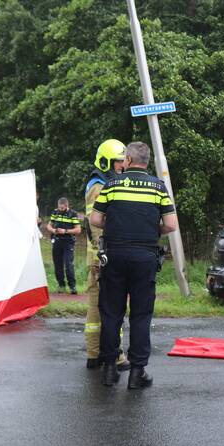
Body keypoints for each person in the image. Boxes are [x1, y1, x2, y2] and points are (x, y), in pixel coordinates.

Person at [90, 141, 178, 390]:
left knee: (111, 313)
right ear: (146, 162)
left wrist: (118, 225)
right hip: (145, 257)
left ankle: (109, 371)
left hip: (115, 255)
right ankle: (137, 373)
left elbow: (95, 219)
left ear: (128, 160)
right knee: (140, 315)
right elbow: (171, 225)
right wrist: (150, 229)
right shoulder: (158, 187)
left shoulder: (112, 184)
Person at [83, 139, 129, 371]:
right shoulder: (99, 187)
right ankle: (115, 355)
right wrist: (104, 255)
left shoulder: (101, 183)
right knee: (111, 308)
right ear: (106, 162)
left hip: (99, 256)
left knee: (98, 307)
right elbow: (97, 225)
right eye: (119, 162)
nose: (122, 166)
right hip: (103, 258)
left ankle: (95, 354)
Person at [47, 197, 81, 294]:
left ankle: (72, 287)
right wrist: (53, 230)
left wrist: (65, 231)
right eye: (59, 208)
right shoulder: (55, 212)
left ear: (67, 206)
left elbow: (78, 230)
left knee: (68, 265)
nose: (60, 210)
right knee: (57, 264)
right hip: (57, 241)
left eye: (62, 208)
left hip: (68, 242)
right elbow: (49, 225)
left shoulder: (72, 214)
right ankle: (61, 286)